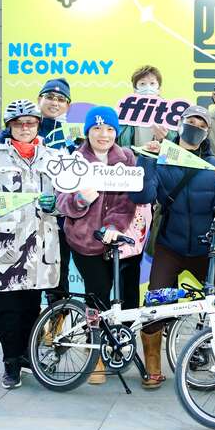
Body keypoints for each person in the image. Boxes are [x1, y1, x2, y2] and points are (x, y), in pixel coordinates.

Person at [131, 105, 215, 389]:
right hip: (170, 246)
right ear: (179, 125)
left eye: (201, 125)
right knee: (156, 303)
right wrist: (147, 159)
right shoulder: (162, 159)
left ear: (207, 132)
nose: (195, 128)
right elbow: (142, 195)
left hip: (206, 248)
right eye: (191, 122)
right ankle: (153, 365)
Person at [0, 78, 75, 302]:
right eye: (49, 97)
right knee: (16, 301)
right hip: (14, 230)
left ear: (68, 105)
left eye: (61, 99)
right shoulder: (4, 144)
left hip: (52, 230)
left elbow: (72, 184)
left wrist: (58, 204)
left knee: (57, 289)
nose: (25, 128)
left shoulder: (70, 138)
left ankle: (53, 323)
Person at [0, 99, 61, 390]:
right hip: (7, 245)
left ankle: (26, 354)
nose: (25, 128)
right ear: (10, 127)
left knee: (31, 307)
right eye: (19, 124)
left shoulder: (51, 157)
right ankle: (10, 361)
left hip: (40, 245)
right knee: (8, 310)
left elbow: (65, 195)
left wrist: (54, 204)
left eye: (30, 123)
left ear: (38, 125)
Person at [56, 106, 143, 385]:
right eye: (96, 128)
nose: (103, 134)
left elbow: (128, 200)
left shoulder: (127, 158)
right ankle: (95, 352)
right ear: (87, 132)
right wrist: (81, 199)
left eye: (108, 129)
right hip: (84, 241)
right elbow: (62, 200)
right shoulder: (75, 159)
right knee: (98, 296)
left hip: (119, 241)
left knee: (127, 295)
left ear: (116, 131)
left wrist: (114, 226)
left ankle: (120, 343)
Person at [116, 65, 178, 147]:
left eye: (152, 83)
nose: (148, 87)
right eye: (142, 84)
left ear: (159, 89)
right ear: (135, 89)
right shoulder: (124, 113)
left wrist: (166, 137)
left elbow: (178, 144)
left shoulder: (171, 114)